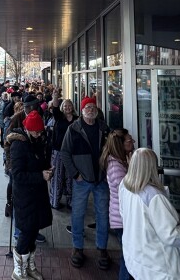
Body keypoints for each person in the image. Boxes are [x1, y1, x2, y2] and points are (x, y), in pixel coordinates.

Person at [120, 148, 180, 280]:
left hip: (137, 261)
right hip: (159, 268)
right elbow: (171, 236)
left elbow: (123, 215)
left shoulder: (124, 185)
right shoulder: (154, 197)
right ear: (153, 167)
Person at [61, 96, 111, 270]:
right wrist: (75, 174)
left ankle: (102, 249)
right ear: (81, 111)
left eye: (92, 107)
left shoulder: (104, 128)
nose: (90, 109)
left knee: (103, 215)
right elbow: (65, 153)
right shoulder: (73, 129)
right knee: (78, 214)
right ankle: (78, 248)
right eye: (87, 107)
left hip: (101, 180)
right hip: (82, 180)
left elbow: (112, 151)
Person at [8, 110, 53, 280]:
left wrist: (47, 169)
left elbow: (39, 162)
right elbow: (17, 175)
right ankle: (18, 271)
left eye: (41, 131)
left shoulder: (37, 140)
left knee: (33, 231)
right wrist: (40, 175)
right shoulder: (18, 145)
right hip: (25, 197)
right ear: (28, 129)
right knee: (26, 233)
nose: (39, 134)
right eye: (37, 131)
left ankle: (29, 265)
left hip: (37, 194)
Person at [101, 128, 135, 280]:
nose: (133, 142)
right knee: (128, 256)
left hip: (124, 216)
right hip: (122, 218)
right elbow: (129, 190)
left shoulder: (121, 161)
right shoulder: (115, 167)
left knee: (129, 255)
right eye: (129, 140)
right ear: (120, 145)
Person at [49, 96, 77, 209]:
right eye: (65, 105)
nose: (67, 108)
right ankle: (55, 201)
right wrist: (55, 95)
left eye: (69, 105)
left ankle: (71, 202)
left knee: (71, 177)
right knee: (57, 177)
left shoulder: (77, 119)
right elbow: (55, 108)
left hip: (72, 153)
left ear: (72, 107)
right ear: (62, 107)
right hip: (58, 151)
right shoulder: (59, 117)